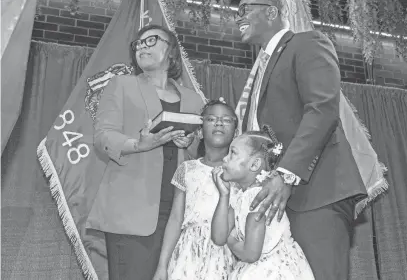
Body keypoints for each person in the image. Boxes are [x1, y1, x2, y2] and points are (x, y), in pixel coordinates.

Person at [234, 0, 367, 279]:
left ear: (272, 12)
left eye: (244, 9)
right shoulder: (260, 69)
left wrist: (286, 174)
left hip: (315, 191)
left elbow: (322, 109)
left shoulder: (307, 43)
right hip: (274, 199)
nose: (238, 18)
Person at [88, 25, 204, 280]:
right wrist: (139, 144)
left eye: (151, 40)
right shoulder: (121, 85)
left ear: (171, 51)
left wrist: (189, 142)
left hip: (179, 210)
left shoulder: (194, 100)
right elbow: (103, 136)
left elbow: (199, 154)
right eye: (138, 43)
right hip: (132, 210)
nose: (142, 46)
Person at [211, 126, 314, 280]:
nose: (225, 158)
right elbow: (218, 237)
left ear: (254, 165)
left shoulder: (258, 197)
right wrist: (224, 195)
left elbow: (250, 253)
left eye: (232, 153)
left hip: (272, 271)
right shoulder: (240, 196)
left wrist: (230, 240)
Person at [153, 99, 237, 280]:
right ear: (199, 131)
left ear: (236, 132)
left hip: (224, 253)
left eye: (227, 120)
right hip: (187, 256)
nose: (219, 123)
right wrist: (162, 265)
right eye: (211, 119)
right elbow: (175, 219)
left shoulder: (239, 174)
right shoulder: (187, 169)